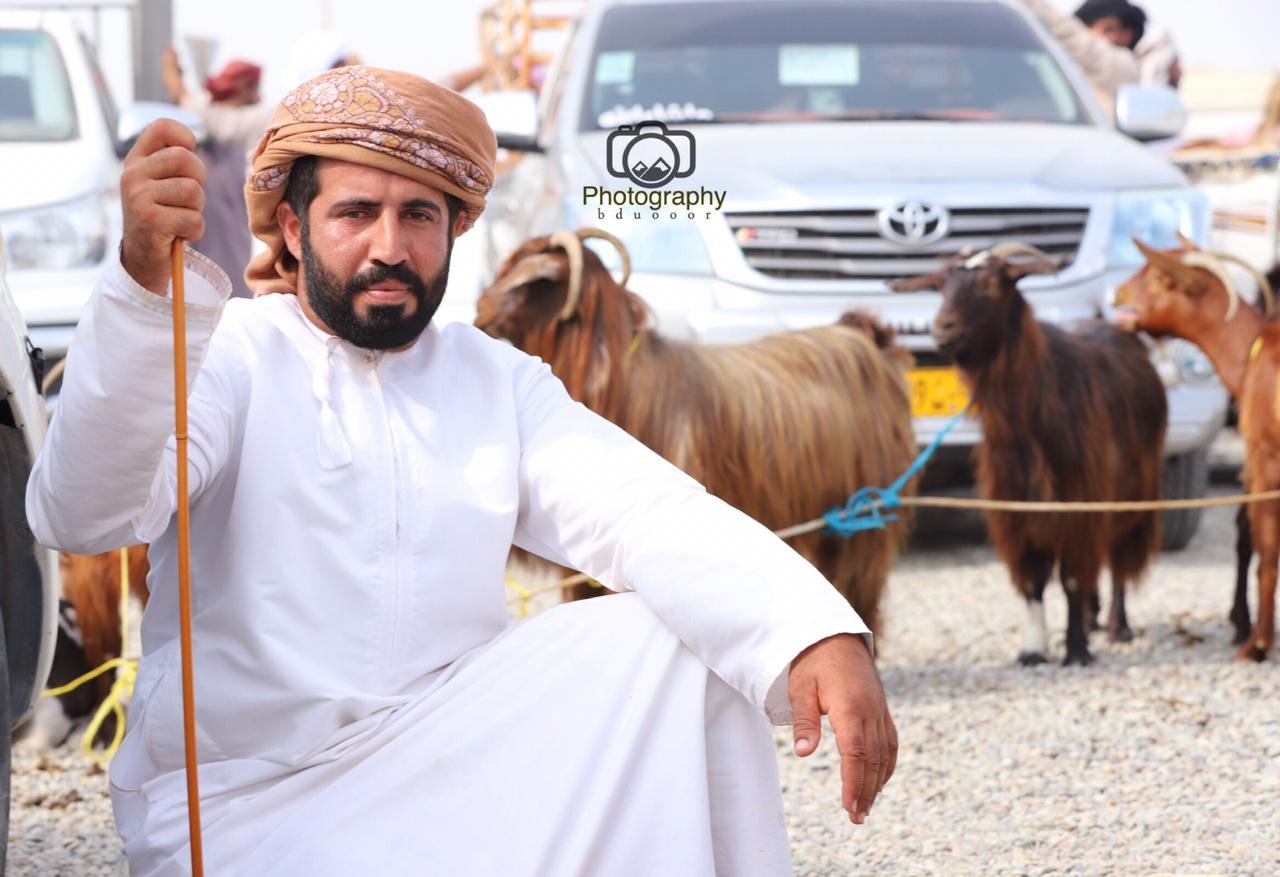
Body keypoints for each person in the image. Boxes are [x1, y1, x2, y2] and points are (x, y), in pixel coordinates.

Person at [26, 66, 897, 874]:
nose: (390, 247)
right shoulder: (229, 358)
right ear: (293, 227)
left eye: (419, 216)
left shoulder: (492, 379)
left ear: (455, 229)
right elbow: (81, 514)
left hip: (443, 764)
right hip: (247, 802)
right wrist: (141, 290)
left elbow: (644, 513)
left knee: (680, 634)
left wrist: (810, 628)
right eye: (355, 213)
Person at [162, 48, 272, 298]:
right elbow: (208, 117)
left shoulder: (233, 134)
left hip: (233, 255)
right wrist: (176, 84)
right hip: (204, 260)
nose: (259, 97)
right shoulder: (205, 132)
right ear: (242, 88)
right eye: (254, 88)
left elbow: (214, 119)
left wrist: (178, 85)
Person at [1020, 0, 1140, 119]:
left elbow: (1075, 38)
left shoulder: (1123, 65)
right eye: (1087, 28)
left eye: (1108, 29)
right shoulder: (1057, 65)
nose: (1094, 34)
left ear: (1126, 35)